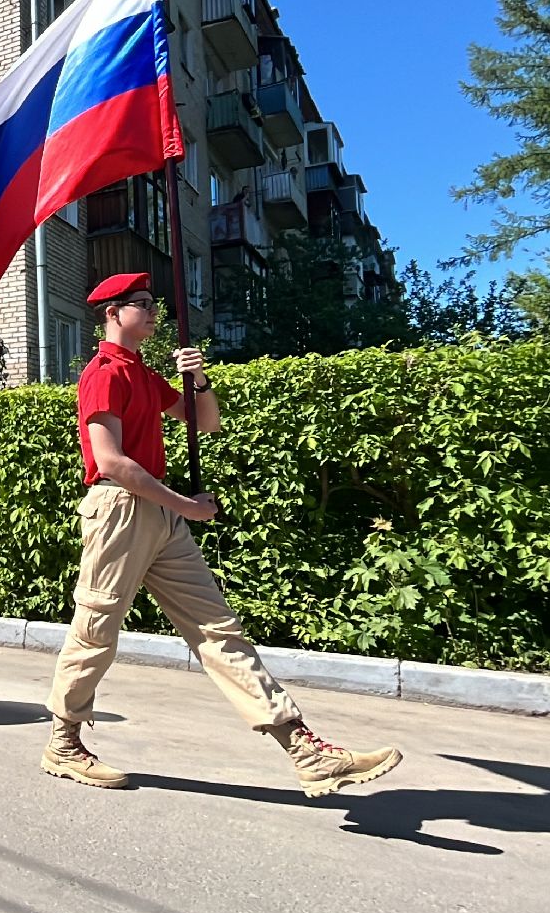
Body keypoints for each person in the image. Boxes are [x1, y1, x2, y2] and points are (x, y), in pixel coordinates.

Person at [43, 273, 401, 798]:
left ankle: (304, 750)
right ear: (112, 314)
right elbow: (112, 463)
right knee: (96, 628)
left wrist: (200, 379)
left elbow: (204, 421)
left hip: (159, 511)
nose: (153, 311)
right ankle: (64, 741)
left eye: (153, 302)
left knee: (218, 629)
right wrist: (187, 505)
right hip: (121, 510)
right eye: (141, 304)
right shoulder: (102, 374)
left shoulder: (142, 374)